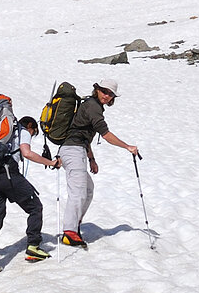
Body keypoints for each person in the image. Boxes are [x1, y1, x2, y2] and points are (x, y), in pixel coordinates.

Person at [57, 80, 140, 248]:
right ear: (97, 90)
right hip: (73, 150)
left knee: (87, 190)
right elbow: (105, 134)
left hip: (76, 150)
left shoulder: (92, 105)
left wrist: (91, 159)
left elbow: (83, 134)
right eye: (104, 91)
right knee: (78, 192)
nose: (106, 95)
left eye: (110, 94)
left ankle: (75, 224)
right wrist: (127, 147)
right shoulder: (93, 106)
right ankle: (69, 232)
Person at [0, 116, 58, 272]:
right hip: (8, 173)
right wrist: (51, 163)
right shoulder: (21, 130)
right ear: (30, 126)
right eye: (33, 132)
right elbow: (26, 153)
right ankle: (33, 246)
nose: (32, 135)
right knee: (35, 206)